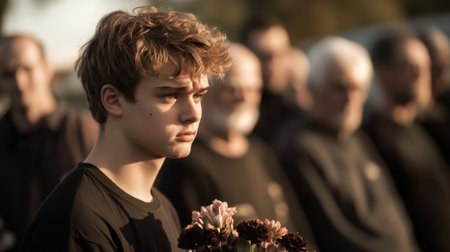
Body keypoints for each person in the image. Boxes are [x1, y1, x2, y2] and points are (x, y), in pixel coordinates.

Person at [21, 6, 231, 251]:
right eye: (171, 95)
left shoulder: (163, 206)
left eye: (198, 95)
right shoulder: (77, 221)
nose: (193, 114)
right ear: (113, 99)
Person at [156, 43, 318, 250]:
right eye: (232, 88)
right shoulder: (185, 164)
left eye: (253, 89)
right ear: (204, 92)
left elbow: (299, 230)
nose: (244, 97)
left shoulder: (262, 151)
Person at [274, 36, 420, 252]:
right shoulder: (298, 148)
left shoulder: (356, 136)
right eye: (340, 87)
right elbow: (331, 234)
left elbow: (394, 215)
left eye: (358, 88)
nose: (351, 98)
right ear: (313, 88)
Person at [0, 34, 98, 251]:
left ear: (47, 69)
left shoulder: (86, 132)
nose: (19, 81)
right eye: (8, 73)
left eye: (27, 69)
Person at [364, 28, 450, 252]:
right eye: (409, 66)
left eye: (424, 67)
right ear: (383, 71)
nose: (420, 74)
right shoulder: (371, 136)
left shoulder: (422, 125)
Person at [241, 18, 311, 143]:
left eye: (281, 54)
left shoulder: (301, 100)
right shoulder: (240, 108)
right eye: (264, 57)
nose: (274, 65)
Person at [416, 26, 450, 165]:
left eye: (445, 58)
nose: (443, 66)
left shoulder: (446, 98)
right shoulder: (414, 107)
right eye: (437, 61)